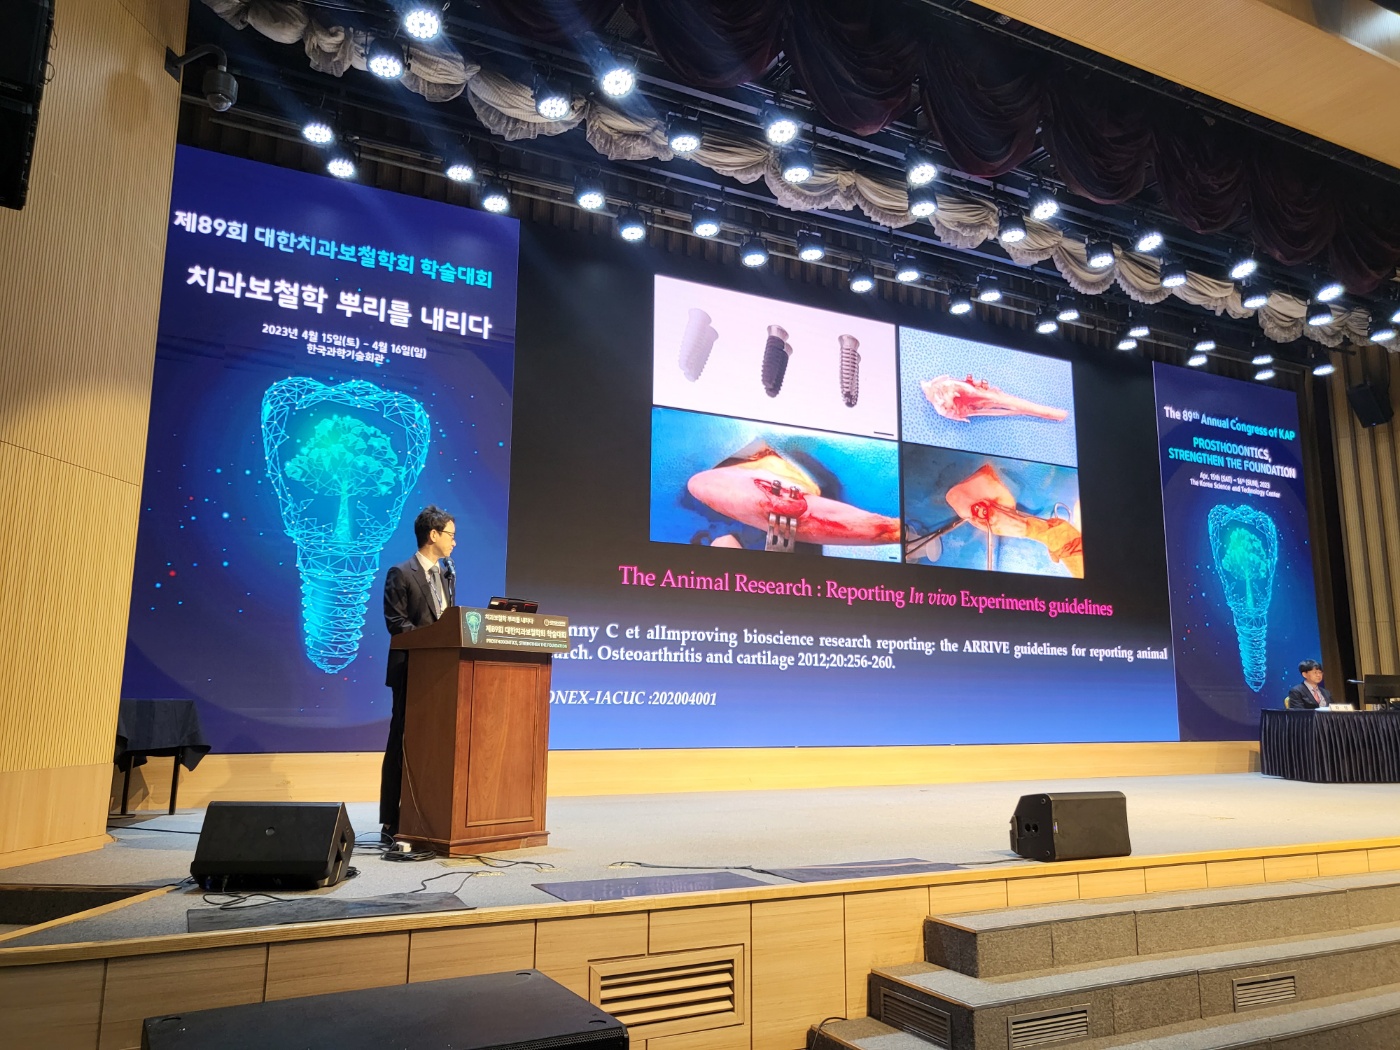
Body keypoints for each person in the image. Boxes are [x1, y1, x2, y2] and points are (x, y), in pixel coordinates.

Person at [380, 505, 457, 838]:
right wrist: (434, 641)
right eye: (451, 535)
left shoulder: (446, 574)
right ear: (433, 535)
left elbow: (446, 622)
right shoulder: (401, 573)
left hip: (441, 672)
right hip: (411, 670)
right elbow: (396, 624)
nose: (454, 542)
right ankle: (390, 819)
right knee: (402, 742)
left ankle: (428, 814)